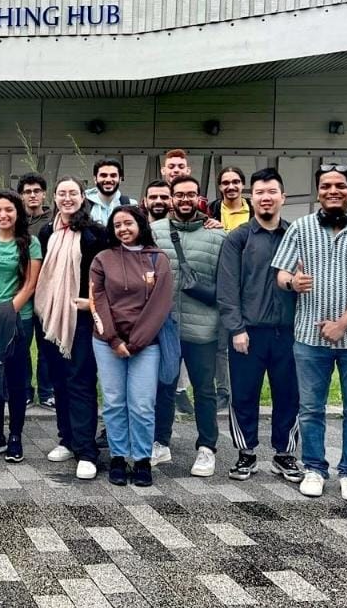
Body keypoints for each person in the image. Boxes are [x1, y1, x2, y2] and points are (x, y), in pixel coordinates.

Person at [272, 163, 347, 504]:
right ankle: (314, 468)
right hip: (309, 337)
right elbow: (281, 273)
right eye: (325, 186)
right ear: (318, 191)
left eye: (339, 185)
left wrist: (342, 324)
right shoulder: (301, 227)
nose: (332, 191)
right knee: (310, 408)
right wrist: (292, 282)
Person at [215, 168, 301, 483]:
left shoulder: (295, 236)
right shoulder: (238, 238)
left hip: (289, 332)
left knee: (289, 395)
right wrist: (236, 328)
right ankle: (245, 452)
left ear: (283, 197)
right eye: (260, 192)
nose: (266, 198)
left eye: (272, 192)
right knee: (244, 395)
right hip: (248, 332)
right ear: (252, 198)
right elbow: (226, 288)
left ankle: (285, 454)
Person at [90, 206, 173, 487]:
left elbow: (160, 305)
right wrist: (113, 339)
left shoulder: (158, 259)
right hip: (107, 342)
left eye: (128, 223)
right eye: (117, 225)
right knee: (114, 402)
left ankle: (141, 459)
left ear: (140, 224)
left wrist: (136, 343)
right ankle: (118, 457)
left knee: (142, 404)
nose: (123, 229)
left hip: (146, 345)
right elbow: (97, 300)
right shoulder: (102, 259)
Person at [151, 175, 226, 476]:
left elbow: (226, 282)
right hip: (165, 325)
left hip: (203, 327)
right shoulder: (155, 232)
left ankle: (207, 447)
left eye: (190, 194)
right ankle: (160, 442)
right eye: (179, 194)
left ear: (199, 198)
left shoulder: (217, 236)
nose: (185, 199)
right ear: (171, 198)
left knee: (205, 390)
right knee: (164, 386)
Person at [36, 177, 106, 480]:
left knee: (81, 381)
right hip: (51, 316)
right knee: (59, 379)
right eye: (61, 193)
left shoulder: (95, 233)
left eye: (73, 193)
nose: (67, 198)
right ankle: (67, 438)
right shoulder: (47, 232)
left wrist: (93, 302)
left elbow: (105, 275)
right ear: (54, 197)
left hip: (81, 317)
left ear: (82, 197)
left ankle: (87, 451)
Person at [0, 192, 41, 462]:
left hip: (18, 318)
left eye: (8, 210)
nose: (3, 215)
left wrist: (8, 310)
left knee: (15, 378)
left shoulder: (30, 243)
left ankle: (15, 435)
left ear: (18, 212)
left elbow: (31, 284)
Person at [18, 172, 53, 407]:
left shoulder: (53, 221)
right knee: (22, 344)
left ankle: (47, 391)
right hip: (20, 290)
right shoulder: (16, 221)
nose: (32, 195)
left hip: (47, 291)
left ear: (44, 194)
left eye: (36, 191)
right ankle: (24, 390)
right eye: (28, 192)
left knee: (46, 344)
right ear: (21, 195)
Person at [85, 158, 134, 226]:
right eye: (103, 175)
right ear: (95, 179)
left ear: (120, 179)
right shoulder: (84, 206)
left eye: (113, 175)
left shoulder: (131, 205)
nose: (108, 179)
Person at [211, 166, 252, 232]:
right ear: (220, 187)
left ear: (243, 185)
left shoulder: (256, 209)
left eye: (235, 182)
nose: (231, 187)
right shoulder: (210, 210)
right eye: (226, 183)